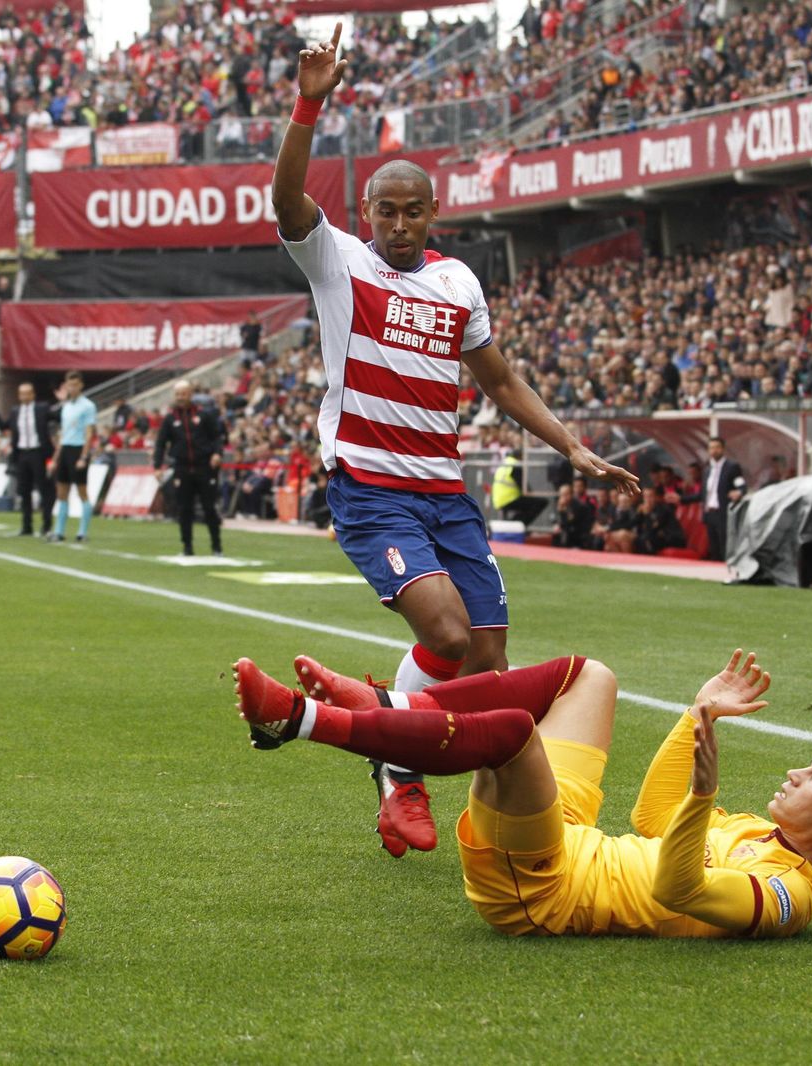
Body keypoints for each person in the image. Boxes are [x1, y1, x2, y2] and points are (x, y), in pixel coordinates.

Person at [272, 22, 638, 856]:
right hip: (370, 488)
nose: (398, 224)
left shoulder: (457, 281)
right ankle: (398, 772)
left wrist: (572, 446)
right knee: (444, 636)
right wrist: (308, 107)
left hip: (444, 493)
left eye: (413, 211)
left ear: (433, 213)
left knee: (486, 660)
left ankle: (473, 796)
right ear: (366, 213)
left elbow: (501, 382)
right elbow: (286, 201)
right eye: (385, 211)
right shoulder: (339, 265)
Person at [233, 647, 812, 938]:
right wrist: (698, 717)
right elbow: (653, 818)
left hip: (543, 888)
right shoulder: (757, 834)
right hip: (566, 838)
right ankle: (394, 702)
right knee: (588, 678)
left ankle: (304, 719)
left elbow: (680, 890)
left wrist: (702, 795)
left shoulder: (785, 897)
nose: (798, 774)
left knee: (510, 734)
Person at [152, 378, 226, 556]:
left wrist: (217, 454)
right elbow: (161, 444)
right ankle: (187, 547)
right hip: (182, 468)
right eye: (177, 394)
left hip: (204, 467)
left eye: (184, 393)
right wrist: (157, 465)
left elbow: (217, 437)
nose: (180, 397)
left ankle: (216, 546)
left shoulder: (204, 415)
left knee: (210, 508)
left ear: (190, 394)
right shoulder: (170, 419)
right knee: (184, 509)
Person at [0, 382, 56, 537]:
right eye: (22, 393)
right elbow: (4, 426)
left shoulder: (42, 408)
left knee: (44, 489)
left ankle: (46, 525)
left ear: (33, 394)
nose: (24, 396)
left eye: (27, 393)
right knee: (23, 490)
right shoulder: (15, 411)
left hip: (39, 453)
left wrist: (64, 401)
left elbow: (58, 417)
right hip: (21, 454)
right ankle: (27, 526)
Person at [48, 370, 97, 543]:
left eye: (75, 384)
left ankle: (83, 531)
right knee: (62, 492)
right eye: (69, 384)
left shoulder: (88, 406)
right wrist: (55, 457)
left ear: (81, 385)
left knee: (82, 491)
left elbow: (89, 433)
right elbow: (63, 434)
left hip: (78, 449)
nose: (72, 388)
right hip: (66, 449)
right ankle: (59, 530)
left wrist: (84, 457)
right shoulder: (66, 407)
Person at [701, 436, 744, 562]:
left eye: (717, 447)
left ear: (723, 449)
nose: (714, 451)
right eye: (711, 448)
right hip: (710, 513)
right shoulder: (707, 470)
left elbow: (741, 485)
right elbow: (703, 494)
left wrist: (739, 492)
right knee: (713, 547)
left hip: (723, 513)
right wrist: (681, 498)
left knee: (724, 545)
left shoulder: (732, 467)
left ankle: (727, 569)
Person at [491, 449, 549, 526]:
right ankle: (516, 526)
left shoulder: (505, 462)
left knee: (528, 506)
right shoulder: (516, 465)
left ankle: (515, 524)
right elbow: (524, 487)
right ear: (521, 456)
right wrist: (531, 494)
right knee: (541, 502)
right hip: (509, 499)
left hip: (499, 499)